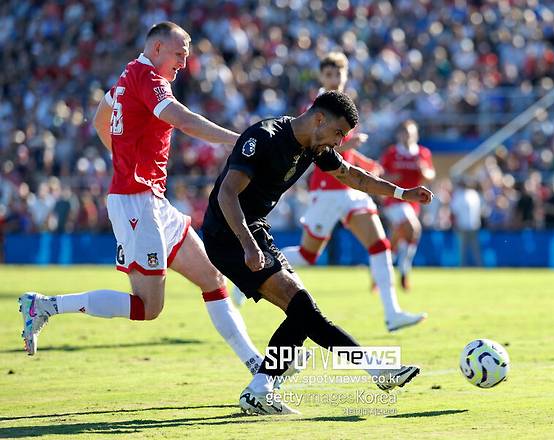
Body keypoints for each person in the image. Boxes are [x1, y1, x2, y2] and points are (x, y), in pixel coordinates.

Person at [17, 22, 264, 376]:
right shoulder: (147, 78)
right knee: (149, 308)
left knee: (213, 279)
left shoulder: (127, 76)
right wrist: (235, 140)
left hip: (152, 200)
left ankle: (257, 366)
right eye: (179, 54)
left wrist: (124, 159)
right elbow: (183, 120)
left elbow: (101, 120)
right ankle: (44, 306)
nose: (184, 62)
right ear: (158, 48)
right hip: (135, 202)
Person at [202, 90, 434, 415]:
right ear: (319, 118)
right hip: (227, 233)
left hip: (255, 230)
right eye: (339, 133)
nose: (339, 142)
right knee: (304, 310)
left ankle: (261, 388)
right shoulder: (264, 136)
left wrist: (402, 193)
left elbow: (352, 176)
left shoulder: (314, 146)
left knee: (301, 312)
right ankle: (376, 369)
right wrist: (247, 245)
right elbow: (227, 194)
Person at [234, 51, 426, 333]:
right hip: (326, 190)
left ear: (346, 75)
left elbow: (344, 159)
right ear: (321, 77)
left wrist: (364, 162)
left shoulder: (345, 106)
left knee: (379, 244)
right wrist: (352, 148)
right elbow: (320, 150)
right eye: (329, 74)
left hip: (349, 191)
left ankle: (392, 313)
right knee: (308, 254)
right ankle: (254, 272)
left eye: (339, 74)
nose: (335, 79)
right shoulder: (320, 108)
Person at [379, 119, 436, 289]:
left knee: (402, 235)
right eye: (404, 133)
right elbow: (378, 175)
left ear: (416, 135)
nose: (407, 137)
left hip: (413, 203)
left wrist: (424, 171)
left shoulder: (422, 153)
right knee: (413, 229)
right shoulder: (391, 153)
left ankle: (384, 263)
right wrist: (391, 178)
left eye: (410, 133)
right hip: (394, 200)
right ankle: (404, 270)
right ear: (399, 134)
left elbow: (431, 174)